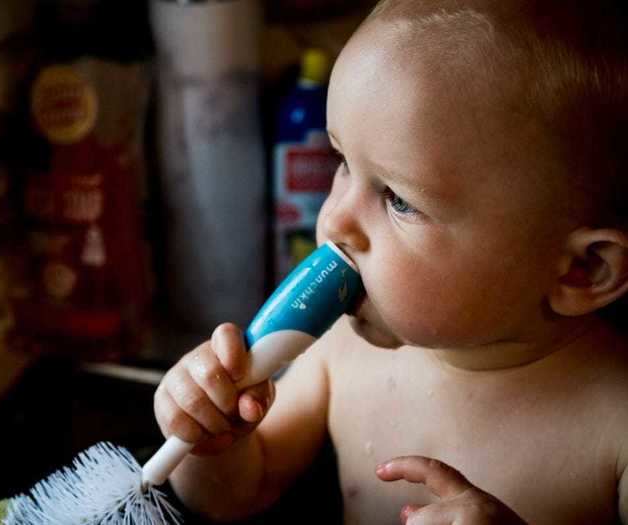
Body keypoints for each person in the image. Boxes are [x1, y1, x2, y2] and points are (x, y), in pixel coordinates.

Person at [153, 1, 628, 523]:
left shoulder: (614, 426)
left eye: (398, 199)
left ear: (582, 270)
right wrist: (211, 440)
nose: (333, 221)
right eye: (341, 163)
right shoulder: (340, 353)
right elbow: (236, 495)